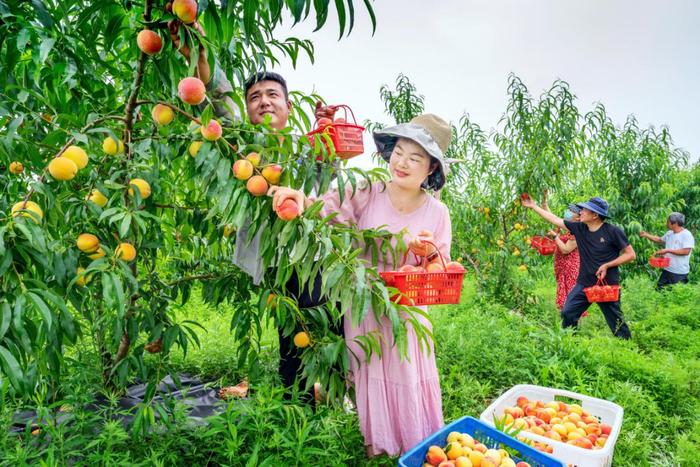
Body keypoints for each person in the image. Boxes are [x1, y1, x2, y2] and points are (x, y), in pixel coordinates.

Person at [170, 21, 339, 405]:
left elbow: (334, 193)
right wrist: (197, 51)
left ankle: (329, 394)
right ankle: (297, 406)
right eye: (255, 96)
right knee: (291, 336)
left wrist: (328, 141)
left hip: (315, 256)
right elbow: (217, 95)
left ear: (287, 104)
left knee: (326, 326)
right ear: (246, 109)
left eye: (272, 94)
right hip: (277, 261)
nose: (263, 101)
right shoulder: (243, 145)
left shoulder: (308, 146)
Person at [270, 114, 452, 456]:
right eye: (399, 152)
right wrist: (298, 198)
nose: (402, 162)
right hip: (364, 299)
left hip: (408, 307)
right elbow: (325, 211)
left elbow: (440, 265)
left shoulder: (437, 212)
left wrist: (425, 254)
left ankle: (418, 444)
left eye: (415, 158)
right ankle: (379, 447)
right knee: (370, 368)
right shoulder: (368, 189)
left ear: (430, 169)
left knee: (408, 369)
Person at [522, 196, 635, 339]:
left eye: (585, 210)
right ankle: (571, 343)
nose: (580, 212)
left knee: (616, 321)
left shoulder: (613, 232)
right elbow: (555, 219)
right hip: (584, 283)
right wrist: (534, 206)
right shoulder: (579, 228)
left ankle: (627, 347)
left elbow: (630, 255)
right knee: (568, 313)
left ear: (595, 215)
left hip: (605, 285)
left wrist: (607, 265)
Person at [545, 205, 588, 315]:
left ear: (578, 217)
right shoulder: (570, 227)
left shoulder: (578, 231)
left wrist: (555, 236)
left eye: (571, 211)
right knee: (564, 294)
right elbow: (554, 219)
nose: (567, 212)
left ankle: (573, 326)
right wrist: (545, 204)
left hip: (571, 269)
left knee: (571, 296)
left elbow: (565, 249)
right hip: (562, 267)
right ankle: (565, 325)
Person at [641, 212, 694, 289]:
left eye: (668, 221)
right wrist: (646, 235)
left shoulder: (686, 235)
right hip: (667, 269)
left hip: (679, 272)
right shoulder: (670, 233)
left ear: (674, 223)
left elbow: (686, 251)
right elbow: (659, 240)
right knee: (660, 291)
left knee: (676, 296)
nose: (666, 223)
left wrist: (668, 250)